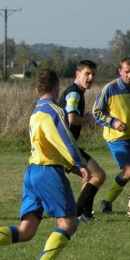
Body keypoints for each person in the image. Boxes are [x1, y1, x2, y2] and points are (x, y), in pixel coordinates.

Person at [0, 69, 91, 260]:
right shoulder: (55, 111)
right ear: (56, 88)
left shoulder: (36, 112)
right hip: (48, 172)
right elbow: (67, 140)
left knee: (26, 230)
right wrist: (81, 164)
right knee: (68, 224)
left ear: (37, 89)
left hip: (32, 173)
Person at [58, 60, 106, 222]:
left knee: (91, 177)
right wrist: (87, 118)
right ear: (77, 74)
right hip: (66, 147)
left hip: (63, 146)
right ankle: (77, 214)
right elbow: (71, 118)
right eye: (87, 73)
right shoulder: (74, 93)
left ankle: (85, 215)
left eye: (93, 74)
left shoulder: (76, 92)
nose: (91, 77)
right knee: (98, 176)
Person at [93, 57, 130, 214]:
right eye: (127, 72)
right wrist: (113, 122)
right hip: (116, 139)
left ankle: (110, 202)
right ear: (120, 71)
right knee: (129, 171)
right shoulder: (110, 89)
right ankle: (107, 201)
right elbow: (97, 112)